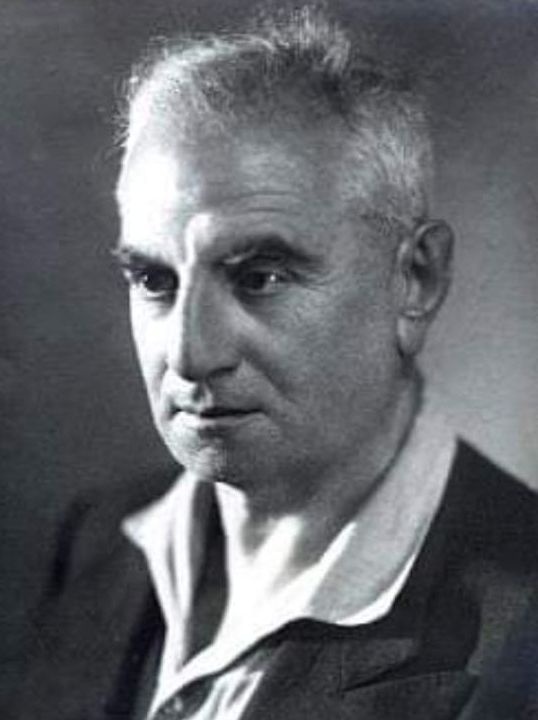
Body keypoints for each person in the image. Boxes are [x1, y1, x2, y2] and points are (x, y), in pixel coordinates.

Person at [12, 6, 538, 720]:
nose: (191, 355)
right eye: (155, 281)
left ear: (416, 279)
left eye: (259, 277)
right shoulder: (100, 536)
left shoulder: (520, 628)